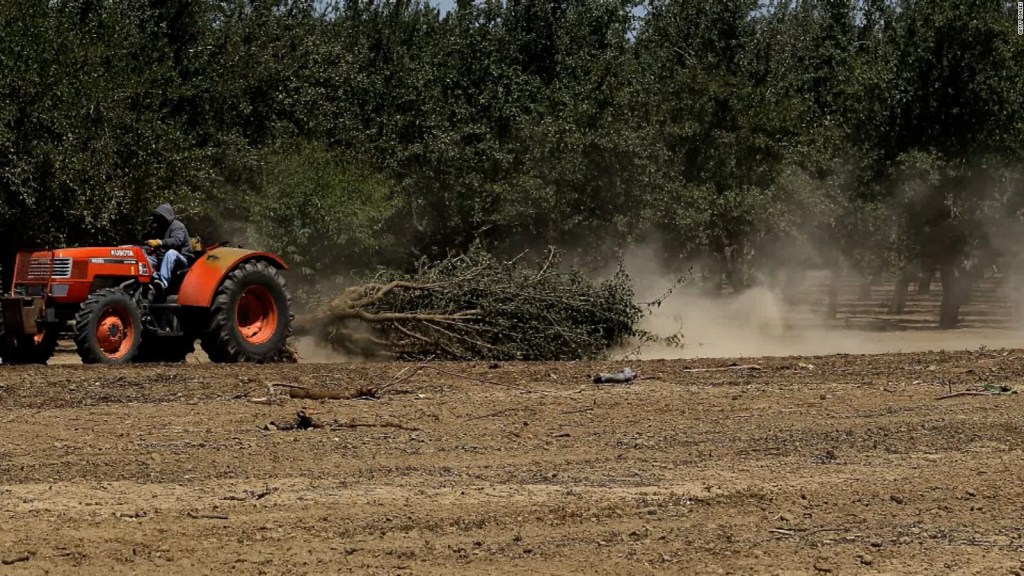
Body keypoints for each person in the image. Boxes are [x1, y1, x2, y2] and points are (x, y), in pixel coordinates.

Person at [145, 203, 193, 293]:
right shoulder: (160, 228)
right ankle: (150, 279)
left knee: (171, 253)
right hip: (163, 258)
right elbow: (156, 247)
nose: (158, 220)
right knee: (144, 257)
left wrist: (159, 242)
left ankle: (163, 284)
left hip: (182, 260)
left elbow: (176, 241)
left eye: (161, 217)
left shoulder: (178, 226)